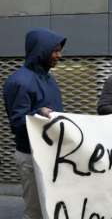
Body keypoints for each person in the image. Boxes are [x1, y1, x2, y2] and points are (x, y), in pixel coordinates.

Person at [3, 28, 66, 219]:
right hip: (31, 157)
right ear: (41, 50)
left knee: (52, 207)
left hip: (51, 154)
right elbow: (17, 123)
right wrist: (38, 113)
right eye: (55, 51)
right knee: (35, 211)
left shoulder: (49, 79)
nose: (59, 55)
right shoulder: (19, 81)